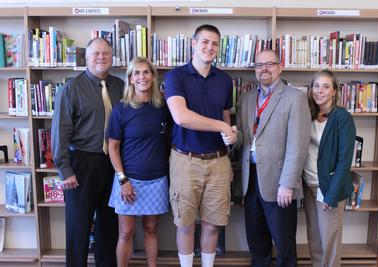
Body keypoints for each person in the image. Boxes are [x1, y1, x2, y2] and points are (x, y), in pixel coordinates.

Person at [164, 24, 237, 267]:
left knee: (212, 224)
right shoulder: (176, 76)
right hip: (185, 160)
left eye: (215, 43)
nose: (209, 47)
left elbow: (226, 120)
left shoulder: (225, 80)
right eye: (205, 42)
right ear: (193, 44)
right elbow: (181, 117)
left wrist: (231, 134)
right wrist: (221, 127)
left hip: (218, 162)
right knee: (185, 224)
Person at [235, 49, 311, 267]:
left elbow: (298, 145)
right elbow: (244, 135)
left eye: (269, 64)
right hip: (251, 181)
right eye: (259, 65)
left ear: (280, 67)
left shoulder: (294, 97)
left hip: (279, 183)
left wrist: (287, 184)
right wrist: (233, 137)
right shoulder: (247, 98)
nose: (264, 69)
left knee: (284, 244)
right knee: (257, 243)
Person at [51, 38, 123, 267]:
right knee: (78, 226)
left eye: (106, 53)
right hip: (82, 163)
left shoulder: (120, 86)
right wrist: (65, 170)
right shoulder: (71, 88)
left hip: (111, 163)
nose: (101, 57)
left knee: (108, 226)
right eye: (96, 53)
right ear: (86, 57)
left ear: (112, 57)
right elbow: (60, 131)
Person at [107, 57, 169, 267]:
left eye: (146, 72)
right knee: (126, 232)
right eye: (136, 73)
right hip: (129, 181)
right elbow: (112, 148)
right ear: (130, 79)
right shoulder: (121, 110)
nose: (141, 77)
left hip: (157, 179)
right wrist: (123, 180)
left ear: (152, 77)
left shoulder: (163, 107)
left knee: (151, 229)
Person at [303, 69, 356, 267]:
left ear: (334, 91)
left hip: (327, 189)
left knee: (330, 243)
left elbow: (344, 161)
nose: (319, 91)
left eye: (325, 86)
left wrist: (331, 195)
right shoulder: (308, 114)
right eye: (316, 86)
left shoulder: (342, 118)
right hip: (309, 186)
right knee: (315, 241)